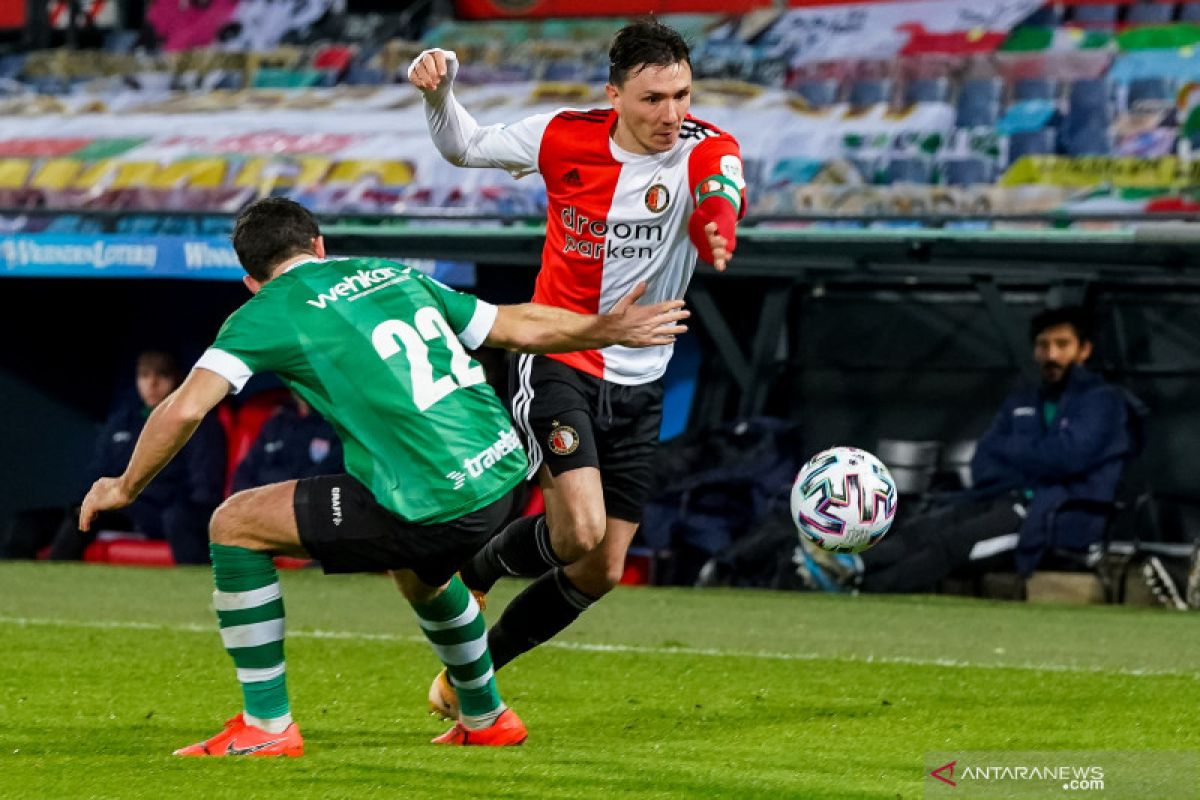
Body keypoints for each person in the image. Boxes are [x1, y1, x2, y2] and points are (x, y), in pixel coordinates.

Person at [79, 197, 688, 756]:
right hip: (503, 474)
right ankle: (486, 717)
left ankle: (266, 726)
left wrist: (123, 486)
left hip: (434, 494)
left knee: (233, 524)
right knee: (420, 576)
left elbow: (184, 406)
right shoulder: (394, 272)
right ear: (318, 244)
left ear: (250, 280)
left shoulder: (263, 313)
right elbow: (513, 323)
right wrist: (604, 329)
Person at [409, 18, 746, 718]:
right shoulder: (563, 135)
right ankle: (475, 569)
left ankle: (473, 676)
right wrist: (439, 97)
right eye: (654, 99)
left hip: (643, 378)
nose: (672, 114)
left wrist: (719, 225)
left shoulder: (704, 147)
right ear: (614, 94)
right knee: (578, 532)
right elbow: (464, 145)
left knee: (601, 568)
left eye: (682, 95)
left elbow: (721, 189)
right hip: (559, 354)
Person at [797, 306, 1143, 594]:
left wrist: (1020, 454)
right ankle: (850, 563)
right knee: (927, 527)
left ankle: (862, 588)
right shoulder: (1024, 398)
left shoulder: (1103, 402)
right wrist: (1036, 457)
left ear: (1084, 350)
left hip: (1056, 516)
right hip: (1001, 497)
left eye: (1062, 344)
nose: (1051, 355)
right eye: (1044, 345)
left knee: (955, 543)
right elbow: (984, 461)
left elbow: (1069, 458)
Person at [27, 350, 224, 565]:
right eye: (145, 376)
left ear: (178, 378)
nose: (152, 384)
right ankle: (43, 588)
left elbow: (203, 490)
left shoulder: (197, 422)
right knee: (41, 522)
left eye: (162, 375)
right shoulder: (123, 420)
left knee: (177, 518)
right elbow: (97, 473)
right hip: (123, 508)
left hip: (164, 511)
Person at [230, 392, 343, 493]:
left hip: (302, 505)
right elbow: (244, 472)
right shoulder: (276, 423)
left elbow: (324, 477)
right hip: (260, 502)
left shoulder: (335, 428)